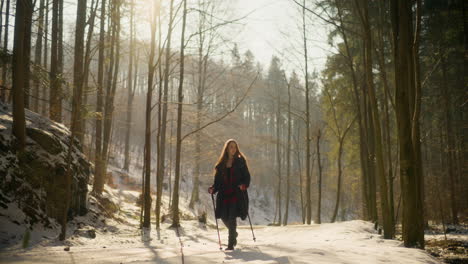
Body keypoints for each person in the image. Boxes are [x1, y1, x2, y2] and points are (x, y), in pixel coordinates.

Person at [208, 139, 251, 250]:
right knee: (223, 216)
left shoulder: (241, 162)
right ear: (227, 148)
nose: (233, 149)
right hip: (223, 195)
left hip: (236, 194)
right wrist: (213, 189)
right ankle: (234, 233)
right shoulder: (221, 164)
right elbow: (217, 182)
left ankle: (230, 244)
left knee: (232, 218)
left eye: (235, 147)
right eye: (231, 147)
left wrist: (243, 185)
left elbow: (247, 177)